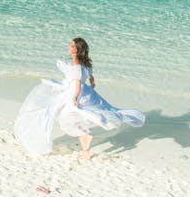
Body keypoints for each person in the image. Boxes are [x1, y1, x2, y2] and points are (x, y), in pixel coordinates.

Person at [14, 37, 145, 160]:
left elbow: (77, 82)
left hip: (74, 91)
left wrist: (75, 97)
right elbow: (91, 77)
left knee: (64, 117)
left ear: (78, 49)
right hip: (86, 91)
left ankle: (84, 138)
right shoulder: (86, 63)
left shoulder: (76, 63)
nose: (69, 47)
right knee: (80, 115)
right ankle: (85, 149)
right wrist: (92, 84)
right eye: (70, 45)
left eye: (72, 46)